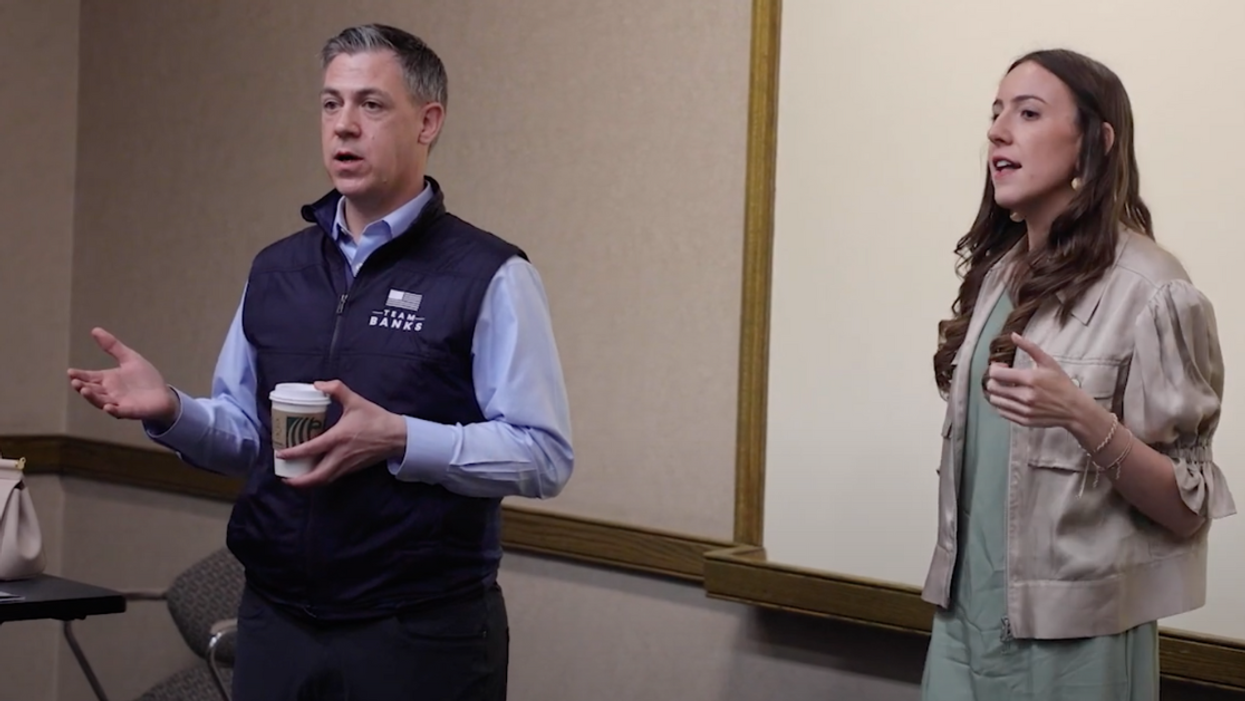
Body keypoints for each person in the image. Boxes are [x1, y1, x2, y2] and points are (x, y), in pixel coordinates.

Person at [67, 23, 573, 701]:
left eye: (370, 105)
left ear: (428, 122)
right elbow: (249, 436)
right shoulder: (277, 270)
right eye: (330, 104)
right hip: (277, 622)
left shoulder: (489, 274)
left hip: (419, 632)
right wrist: (173, 411)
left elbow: (542, 454)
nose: (343, 127)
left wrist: (399, 437)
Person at [920, 48, 1235, 699]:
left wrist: (1081, 416)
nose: (998, 130)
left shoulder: (1152, 289)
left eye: (1027, 113)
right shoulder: (998, 278)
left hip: (1076, 644)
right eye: (995, 113)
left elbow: (1186, 507)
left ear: (1095, 143)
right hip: (960, 629)